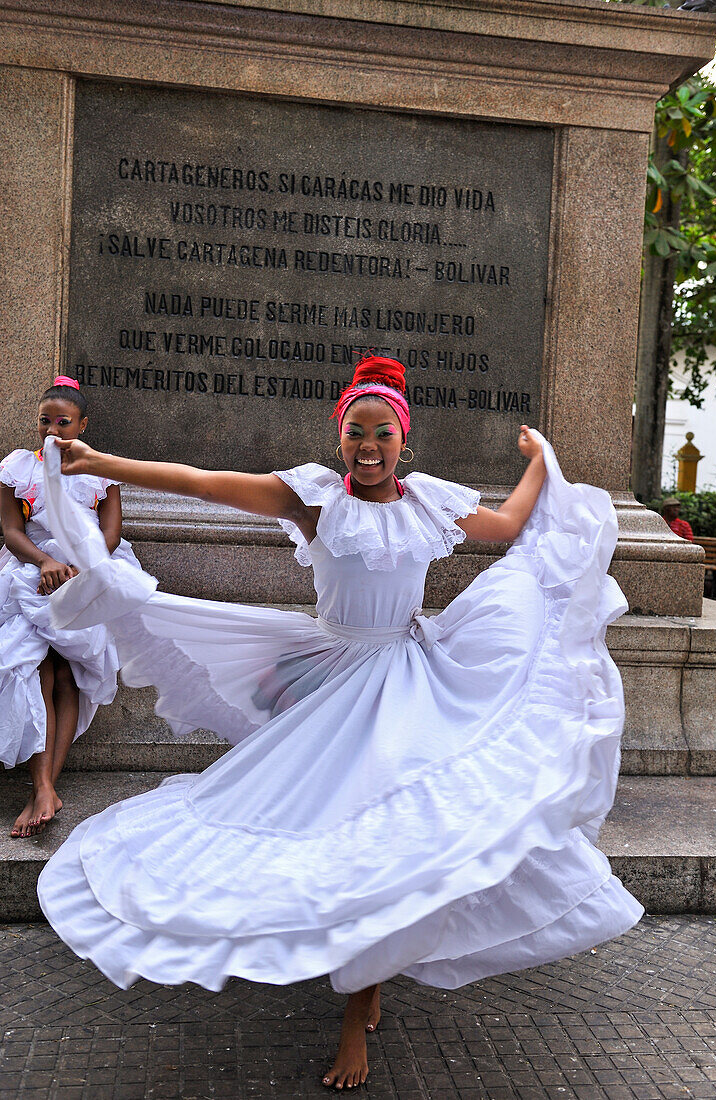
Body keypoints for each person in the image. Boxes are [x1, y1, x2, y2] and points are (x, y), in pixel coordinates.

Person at [37, 356, 642, 1091]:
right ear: (341, 437)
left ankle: (361, 1005)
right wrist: (102, 461)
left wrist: (541, 458)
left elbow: (512, 524)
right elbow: (200, 481)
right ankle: (362, 980)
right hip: (334, 676)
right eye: (356, 431)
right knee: (345, 838)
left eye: (382, 432)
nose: (368, 444)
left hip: (408, 678)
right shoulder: (316, 502)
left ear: (402, 439)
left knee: (392, 841)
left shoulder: (428, 504)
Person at [0, 377, 142, 838]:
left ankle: (45, 787)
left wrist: (83, 568)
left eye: (64, 421)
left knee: (68, 673)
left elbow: (111, 533)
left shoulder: (100, 471)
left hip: (88, 568)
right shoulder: (20, 468)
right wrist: (45, 561)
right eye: (46, 421)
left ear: (83, 424)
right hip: (32, 568)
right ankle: (42, 786)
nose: (54, 429)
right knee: (35, 665)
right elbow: (10, 531)